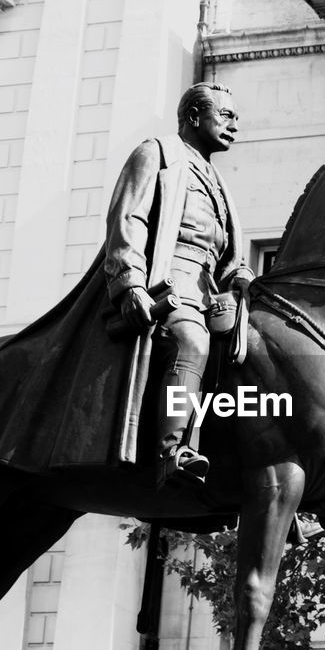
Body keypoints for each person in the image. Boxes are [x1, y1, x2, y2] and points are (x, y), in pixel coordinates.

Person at [105, 81, 252, 487]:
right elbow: (128, 219)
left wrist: (239, 274)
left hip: (209, 291)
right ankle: (172, 451)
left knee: (260, 354)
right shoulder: (157, 153)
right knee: (191, 341)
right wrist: (129, 282)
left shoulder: (216, 180)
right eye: (225, 116)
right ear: (193, 116)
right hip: (168, 285)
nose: (234, 127)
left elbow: (222, 252)